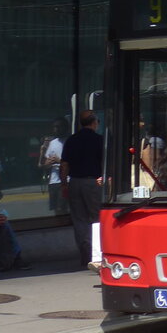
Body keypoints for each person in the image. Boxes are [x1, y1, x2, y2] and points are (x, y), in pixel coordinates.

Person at [62, 110, 104, 267]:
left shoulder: (72, 140)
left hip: (75, 182)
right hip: (93, 182)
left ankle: (85, 254)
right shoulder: (99, 140)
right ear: (94, 122)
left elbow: (64, 164)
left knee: (79, 220)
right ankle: (97, 254)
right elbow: (104, 164)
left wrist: (63, 184)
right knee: (96, 219)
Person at [39, 119, 68, 215]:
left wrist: (59, 161)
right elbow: (45, 164)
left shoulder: (69, 142)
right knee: (55, 208)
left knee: (62, 208)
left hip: (65, 180)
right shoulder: (52, 143)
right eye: (54, 127)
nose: (56, 129)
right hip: (53, 181)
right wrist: (48, 163)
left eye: (58, 127)